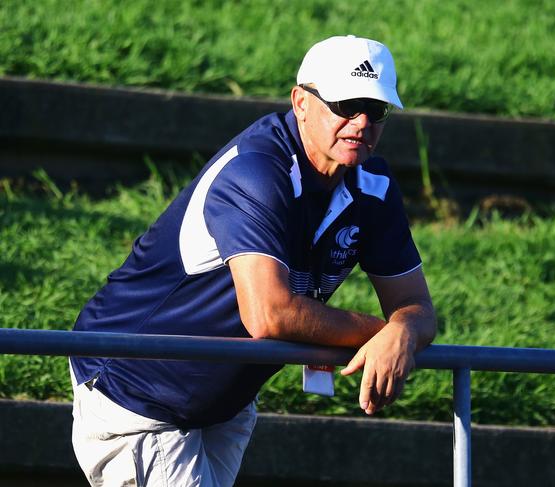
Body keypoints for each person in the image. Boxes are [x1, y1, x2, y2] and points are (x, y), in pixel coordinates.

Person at [69, 34, 436, 486]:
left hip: (223, 402)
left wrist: (404, 330)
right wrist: (386, 334)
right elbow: (269, 314)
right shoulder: (256, 170)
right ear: (300, 102)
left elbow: (417, 306)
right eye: (345, 104)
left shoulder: (374, 185)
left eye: (375, 109)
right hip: (138, 388)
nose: (360, 122)